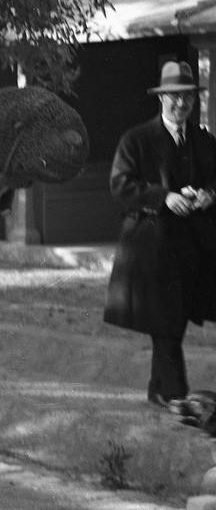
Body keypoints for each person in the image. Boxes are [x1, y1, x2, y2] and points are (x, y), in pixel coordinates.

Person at [105, 60, 216, 411]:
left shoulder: (203, 139)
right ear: (161, 98)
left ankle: (159, 388)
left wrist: (209, 194)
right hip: (153, 247)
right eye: (174, 97)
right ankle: (174, 394)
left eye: (187, 98)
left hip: (195, 247)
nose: (181, 105)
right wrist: (163, 198)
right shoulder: (136, 140)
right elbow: (121, 186)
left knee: (177, 317)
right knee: (165, 319)